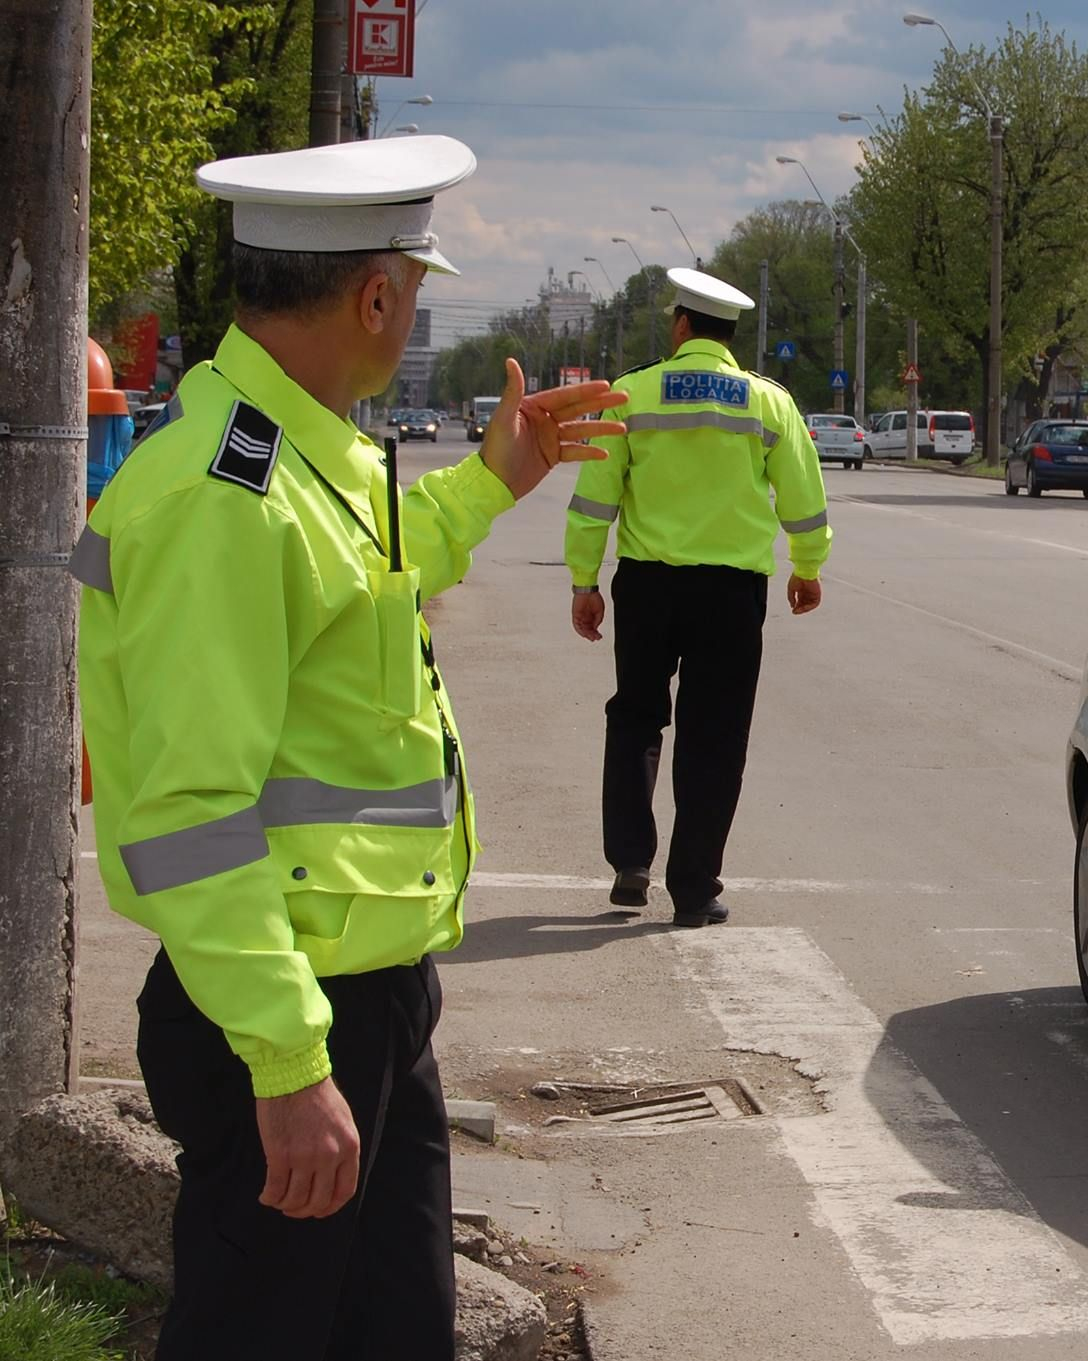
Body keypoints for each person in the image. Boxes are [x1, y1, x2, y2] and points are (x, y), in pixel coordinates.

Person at [71, 134, 627, 1361]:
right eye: (415, 287)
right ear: (377, 297)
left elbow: (362, 582)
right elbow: (187, 813)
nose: (410, 308)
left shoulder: (292, 461)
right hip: (282, 1008)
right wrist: (283, 1060)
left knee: (392, 1332)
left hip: (357, 993)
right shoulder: (227, 499)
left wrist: (493, 480)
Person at [564, 267, 830, 925]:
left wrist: (584, 581)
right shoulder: (768, 402)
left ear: (681, 326)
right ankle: (694, 888)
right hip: (732, 592)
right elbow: (803, 499)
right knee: (715, 735)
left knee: (636, 716)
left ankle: (630, 860)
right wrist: (807, 567)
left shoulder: (631, 393)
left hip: (648, 584)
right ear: (730, 335)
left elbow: (595, 498)